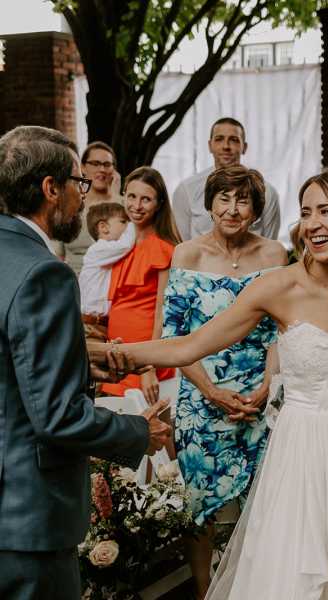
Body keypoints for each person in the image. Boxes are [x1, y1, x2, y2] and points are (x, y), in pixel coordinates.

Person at [89, 167, 328, 600]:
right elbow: (188, 346)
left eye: (326, 211)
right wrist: (103, 354)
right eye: (306, 212)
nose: (312, 224)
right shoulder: (278, 287)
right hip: (305, 452)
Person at [0, 125, 171, 600]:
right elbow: (57, 416)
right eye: (78, 183)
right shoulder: (44, 273)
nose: (84, 197)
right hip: (25, 519)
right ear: (50, 189)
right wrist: (139, 432)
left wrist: (75, 365)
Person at [161, 165, 287, 597]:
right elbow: (173, 336)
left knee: (264, 503)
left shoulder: (274, 255)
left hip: (259, 397)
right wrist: (211, 391)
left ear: (256, 209)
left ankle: (254, 588)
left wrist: (268, 387)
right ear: (210, 204)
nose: (233, 209)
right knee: (200, 509)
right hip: (201, 397)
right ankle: (203, 592)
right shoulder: (186, 255)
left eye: (243, 200)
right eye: (224, 199)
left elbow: (280, 330)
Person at [102, 166, 182, 402]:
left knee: (148, 420)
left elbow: (163, 313)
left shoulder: (164, 249)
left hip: (145, 356)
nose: (136, 206)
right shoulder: (119, 245)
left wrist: (149, 366)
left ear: (159, 204)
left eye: (146, 199)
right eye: (131, 196)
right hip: (117, 351)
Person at [172, 117, 281, 241]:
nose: (226, 146)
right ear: (210, 145)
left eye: (234, 140)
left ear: (244, 147)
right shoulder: (186, 190)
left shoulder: (267, 192)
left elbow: (269, 243)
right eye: (219, 139)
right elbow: (182, 243)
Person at [54, 141, 123, 274]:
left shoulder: (126, 205)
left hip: (115, 279)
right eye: (95, 163)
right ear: (83, 167)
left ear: (114, 170)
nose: (102, 169)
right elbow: (56, 254)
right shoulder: (69, 205)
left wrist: (116, 198)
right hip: (75, 277)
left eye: (107, 164)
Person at [79, 202, 135, 340]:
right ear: (103, 227)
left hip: (103, 323)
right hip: (90, 323)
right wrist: (135, 222)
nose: (127, 225)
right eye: (123, 222)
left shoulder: (110, 254)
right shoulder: (98, 249)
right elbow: (125, 245)